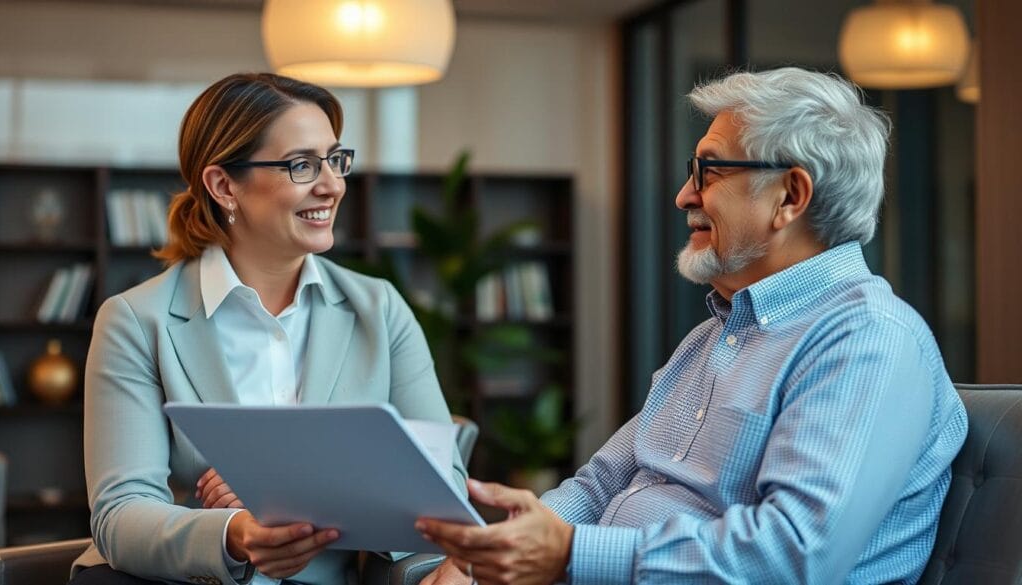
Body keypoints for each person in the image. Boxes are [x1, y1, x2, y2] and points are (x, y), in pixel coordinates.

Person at [416, 67, 968, 585]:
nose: (685, 196)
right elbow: (601, 484)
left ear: (790, 197)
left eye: (709, 170)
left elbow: (797, 553)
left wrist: (568, 553)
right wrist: (486, 553)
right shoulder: (713, 335)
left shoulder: (867, 340)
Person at [69, 72, 466, 585]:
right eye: (302, 164)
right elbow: (120, 514)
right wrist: (235, 531)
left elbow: (444, 486)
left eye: (335, 159)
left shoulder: (380, 309)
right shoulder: (135, 320)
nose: (332, 184)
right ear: (223, 185)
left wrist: (288, 488)